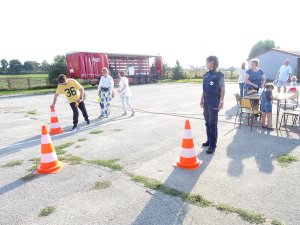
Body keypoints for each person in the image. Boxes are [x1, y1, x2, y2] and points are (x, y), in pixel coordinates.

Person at [200, 56, 225, 154]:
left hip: (214, 102)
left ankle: (213, 145)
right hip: (206, 101)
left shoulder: (219, 75)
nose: (206, 64)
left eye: (207, 62)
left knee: (212, 123)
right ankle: (209, 140)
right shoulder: (206, 74)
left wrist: (221, 101)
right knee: (207, 122)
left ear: (212, 62)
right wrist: (201, 99)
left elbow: (222, 88)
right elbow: (204, 89)